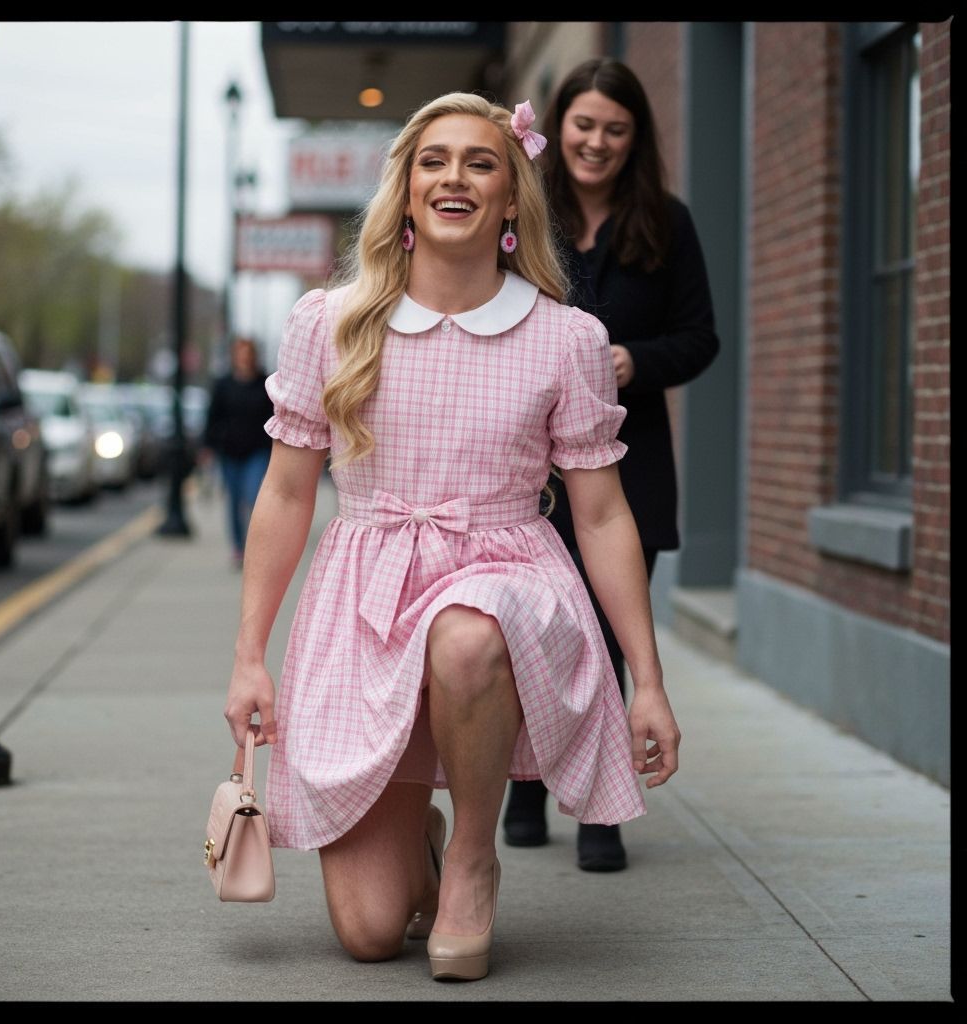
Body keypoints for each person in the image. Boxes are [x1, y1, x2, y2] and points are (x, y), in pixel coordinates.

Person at [223, 91, 681, 982]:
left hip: (508, 575)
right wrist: (249, 656)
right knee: (367, 932)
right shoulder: (332, 323)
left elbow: (601, 513)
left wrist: (650, 681)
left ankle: (474, 855)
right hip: (369, 602)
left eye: (481, 161)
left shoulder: (566, 338)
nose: (455, 177)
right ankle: (424, 845)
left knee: (467, 630)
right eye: (434, 160)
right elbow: (283, 496)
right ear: (405, 189)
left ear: (513, 199)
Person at [502, 59, 719, 872]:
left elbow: (702, 338)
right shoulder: (523, 210)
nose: (596, 142)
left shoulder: (666, 221)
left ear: (636, 139)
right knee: (531, 631)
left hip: (633, 463)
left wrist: (632, 358)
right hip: (531, 465)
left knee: (605, 636)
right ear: (561, 127)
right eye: (584, 125)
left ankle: (600, 807)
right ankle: (524, 789)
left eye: (615, 129)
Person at [202, 337, 275, 567]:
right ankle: (237, 547)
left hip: (257, 451)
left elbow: (274, 417)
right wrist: (208, 447)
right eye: (240, 353)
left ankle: (256, 547)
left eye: (248, 353)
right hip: (230, 452)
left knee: (253, 496)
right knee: (233, 500)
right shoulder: (223, 385)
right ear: (234, 356)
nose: (244, 357)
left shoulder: (265, 383)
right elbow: (212, 417)